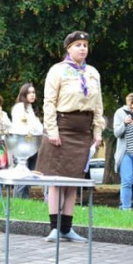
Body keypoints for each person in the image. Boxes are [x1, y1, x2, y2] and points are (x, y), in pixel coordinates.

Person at [36, 31, 104, 242]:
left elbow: (98, 105)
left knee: (74, 181)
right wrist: (52, 130)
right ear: (68, 48)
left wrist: (98, 130)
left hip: (83, 130)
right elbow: (49, 102)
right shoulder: (58, 71)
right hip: (63, 127)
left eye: (85, 44)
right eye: (78, 45)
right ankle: (54, 227)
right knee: (57, 180)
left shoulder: (92, 72)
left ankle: (67, 227)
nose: (82, 48)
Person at [11, 83, 43, 198]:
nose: (32, 95)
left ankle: (25, 199)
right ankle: (18, 200)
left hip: (33, 144)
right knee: (22, 175)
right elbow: (23, 126)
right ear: (24, 94)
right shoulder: (19, 107)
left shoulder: (31, 109)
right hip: (22, 144)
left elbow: (39, 128)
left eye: (33, 92)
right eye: (29, 93)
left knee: (29, 175)